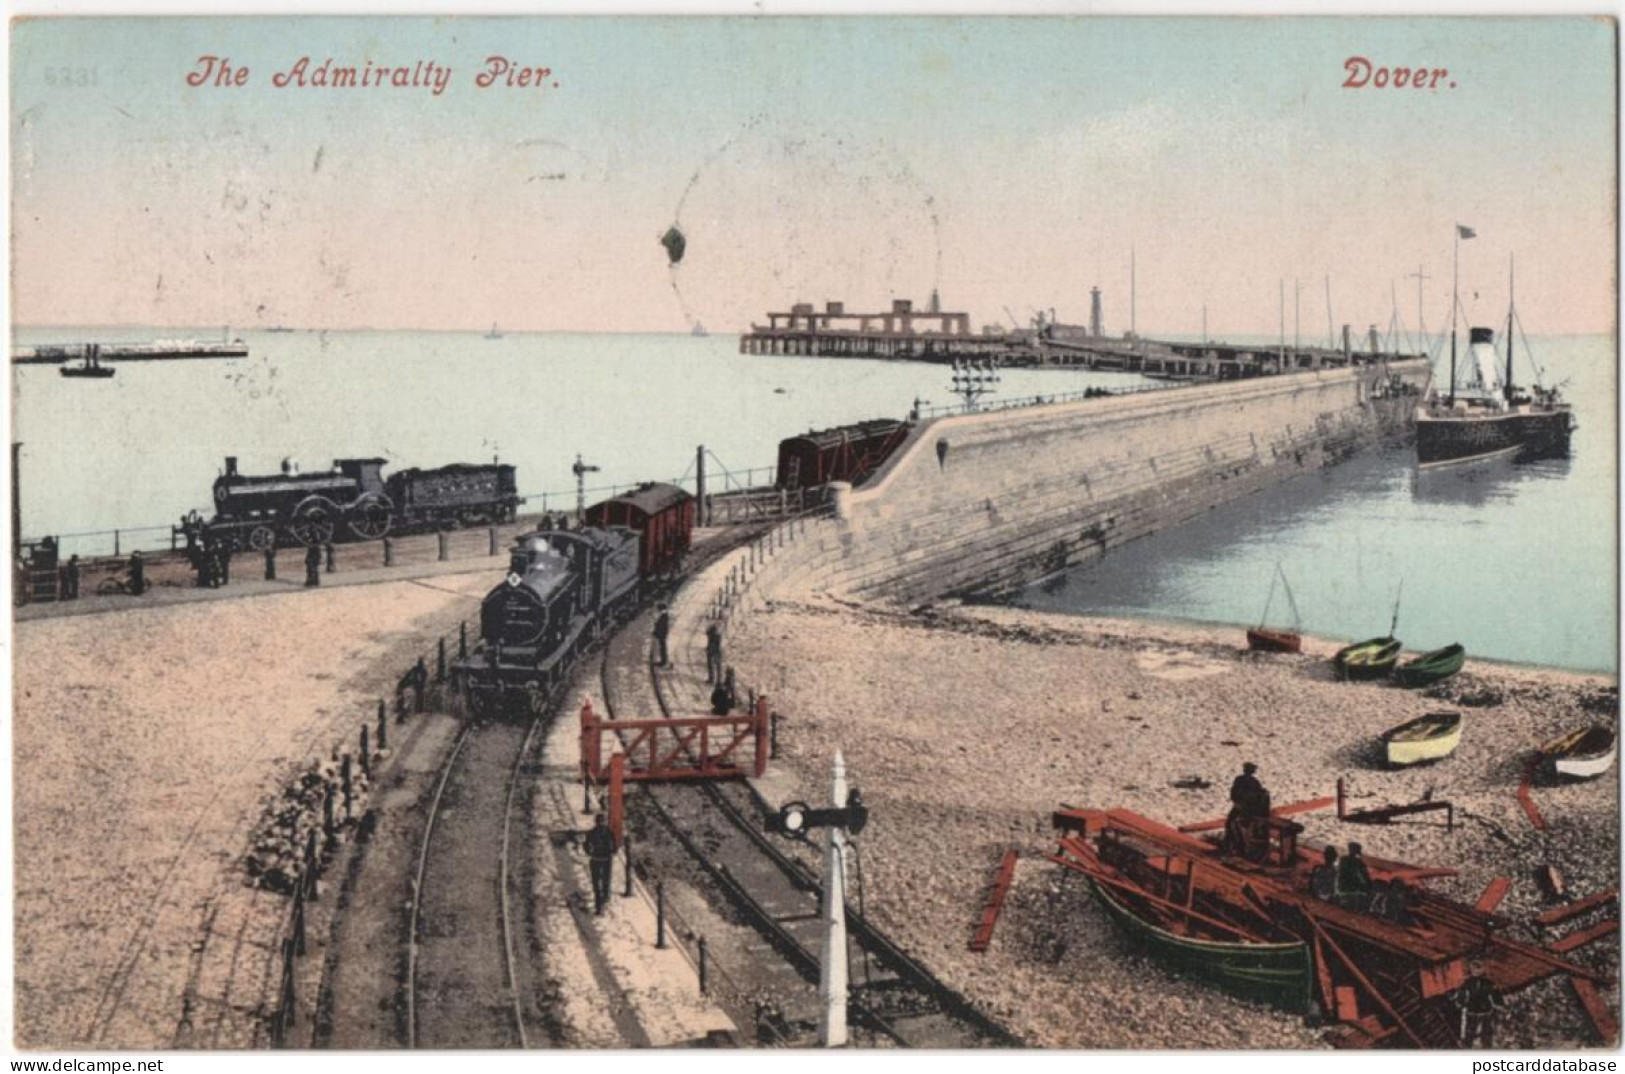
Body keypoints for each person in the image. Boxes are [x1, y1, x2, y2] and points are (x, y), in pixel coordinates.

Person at [1455, 960, 1501, 1047]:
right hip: (1472, 1009)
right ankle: (1467, 1046)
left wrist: (1499, 1003)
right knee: (1470, 1031)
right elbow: (1462, 992)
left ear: (1482, 970)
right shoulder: (1467, 982)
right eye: (1474, 969)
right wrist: (1460, 1002)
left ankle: (1487, 1047)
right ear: (1471, 970)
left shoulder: (1488, 982)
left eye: (1479, 969)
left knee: (1487, 1032)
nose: (1477, 971)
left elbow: (1495, 993)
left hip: (1486, 1010)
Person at [583, 813, 617, 916]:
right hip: (605, 859)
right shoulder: (609, 833)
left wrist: (589, 852)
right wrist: (612, 851)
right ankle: (603, 900)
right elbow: (615, 846)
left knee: (597, 883)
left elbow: (586, 845)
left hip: (596, 859)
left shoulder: (591, 833)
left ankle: (600, 905)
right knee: (604, 881)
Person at [1337, 842, 1373, 911]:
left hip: (1341, 887)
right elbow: (1364, 876)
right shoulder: (1358, 862)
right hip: (1351, 888)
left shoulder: (1342, 859)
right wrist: (1369, 886)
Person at [652, 604, 671, 668]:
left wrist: (656, 633)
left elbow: (661, 627)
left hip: (662, 635)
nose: (657, 611)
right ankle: (663, 661)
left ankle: (664, 662)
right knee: (662, 649)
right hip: (663, 635)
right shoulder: (664, 615)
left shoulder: (663, 616)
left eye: (658, 609)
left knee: (662, 649)